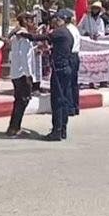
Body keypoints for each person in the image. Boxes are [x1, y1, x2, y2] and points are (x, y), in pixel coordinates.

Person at [20, 10, 75, 141]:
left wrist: (25, 34)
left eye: (56, 19)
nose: (54, 21)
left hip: (60, 69)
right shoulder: (67, 33)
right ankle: (62, 130)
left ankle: (56, 131)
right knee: (63, 99)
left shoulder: (60, 32)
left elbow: (41, 37)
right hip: (66, 68)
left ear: (62, 20)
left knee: (57, 100)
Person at [6, 13, 38, 136]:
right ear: (25, 21)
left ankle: (14, 126)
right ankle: (14, 128)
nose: (33, 23)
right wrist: (28, 75)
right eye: (31, 20)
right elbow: (24, 56)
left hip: (16, 73)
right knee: (22, 101)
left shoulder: (18, 35)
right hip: (22, 74)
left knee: (19, 101)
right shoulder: (23, 36)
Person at [65, 10, 82, 115]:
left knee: (68, 83)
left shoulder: (67, 30)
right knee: (74, 83)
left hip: (70, 55)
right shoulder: (74, 29)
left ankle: (70, 107)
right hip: (75, 56)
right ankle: (76, 106)